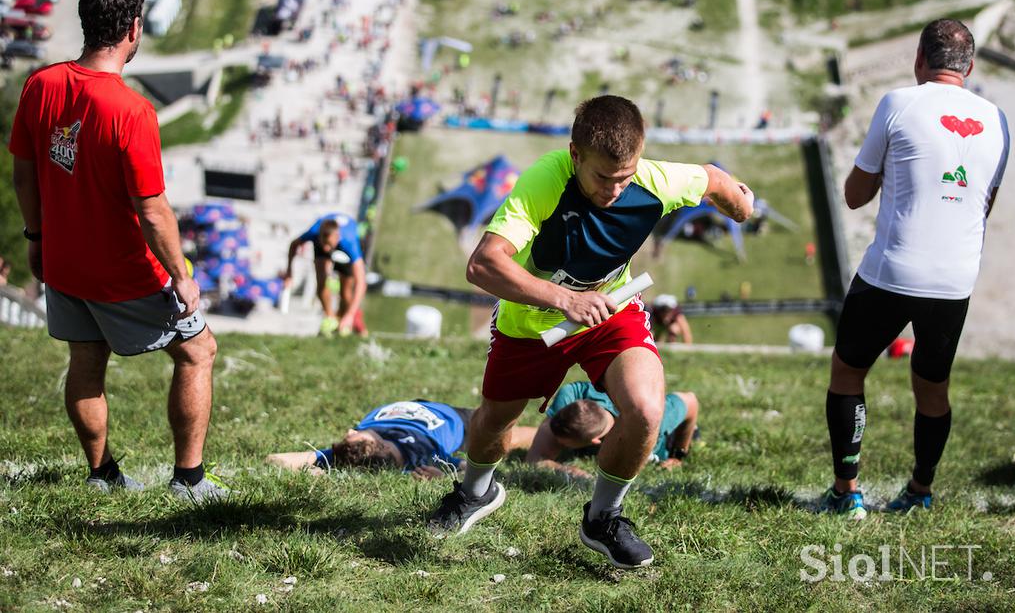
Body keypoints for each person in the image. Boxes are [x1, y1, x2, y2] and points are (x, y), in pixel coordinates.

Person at [426, 95, 753, 569]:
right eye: (603, 177)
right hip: (533, 323)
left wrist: (742, 207)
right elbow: (482, 265)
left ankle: (603, 517)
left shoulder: (654, 180)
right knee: (495, 422)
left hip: (610, 310)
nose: (615, 190)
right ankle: (475, 493)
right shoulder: (546, 178)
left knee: (645, 409)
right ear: (576, 155)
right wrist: (566, 300)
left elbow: (714, 181)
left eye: (626, 177)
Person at [8, 0, 224, 502]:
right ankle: (189, 481)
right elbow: (152, 211)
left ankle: (102, 476)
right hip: (122, 271)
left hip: (63, 262)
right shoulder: (131, 111)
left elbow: (24, 171)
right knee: (198, 352)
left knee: (85, 363)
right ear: (133, 28)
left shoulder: (41, 84)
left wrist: (36, 238)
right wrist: (182, 276)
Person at [819, 19, 1009, 518]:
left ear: (919, 60)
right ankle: (921, 492)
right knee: (932, 387)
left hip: (893, 270)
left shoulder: (898, 103)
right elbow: (980, 206)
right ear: (969, 68)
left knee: (848, 372)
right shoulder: (999, 119)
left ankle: (847, 491)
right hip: (954, 280)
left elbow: (854, 197)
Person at [266, 400, 536, 480]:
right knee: (500, 434)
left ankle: (545, 434)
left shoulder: (354, 451)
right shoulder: (424, 458)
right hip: (458, 421)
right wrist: (442, 478)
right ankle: (546, 436)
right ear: (380, 447)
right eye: (355, 433)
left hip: (433, 409)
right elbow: (468, 468)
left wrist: (317, 467)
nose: (349, 432)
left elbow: (277, 459)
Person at [525, 381, 699, 479]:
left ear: (594, 441)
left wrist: (678, 454)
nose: (557, 443)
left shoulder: (650, 419)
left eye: (562, 443)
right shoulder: (572, 397)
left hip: (667, 440)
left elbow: (691, 401)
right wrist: (571, 471)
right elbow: (536, 459)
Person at [284, 213, 367, 336]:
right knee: (321, 281)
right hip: (322, 239)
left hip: (344, 249)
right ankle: (330, 318)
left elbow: (361, 283)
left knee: (346, 292)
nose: (326, 249)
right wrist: (289, 272)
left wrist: (349, 315)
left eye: (329, 244)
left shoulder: (350, 242)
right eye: (324, 244)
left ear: (337, 237)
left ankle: (348, 319)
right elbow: (293, 244)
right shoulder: (315, 234)